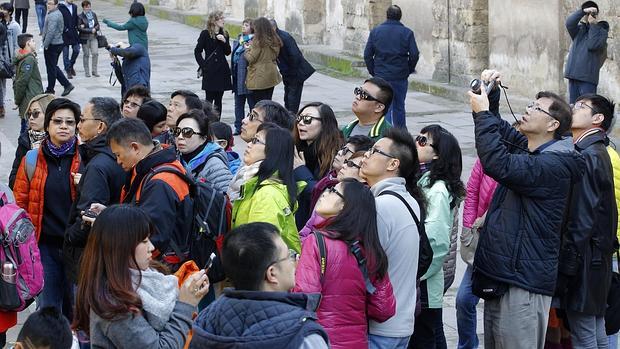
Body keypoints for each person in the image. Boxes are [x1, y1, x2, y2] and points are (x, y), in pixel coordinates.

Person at [467, 69, 585, 349]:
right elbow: (499, 132)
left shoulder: (555, 165)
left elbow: (497, 162)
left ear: (553, 124)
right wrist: (491, 97)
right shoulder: (534, 149)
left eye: (536, 107)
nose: (528, 109)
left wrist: (483, 114)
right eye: (530, 104)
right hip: (504, 276)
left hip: (524, 284)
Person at [73, 204, 209, 348]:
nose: (151, 247)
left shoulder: (146, 273)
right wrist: (185, 304)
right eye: (144, 241)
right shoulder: (113, 306)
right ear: (121, 247)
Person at [191, 222, 329, 348]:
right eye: (289, 256)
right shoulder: (304, 337)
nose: (295, 261)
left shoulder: (205, 320)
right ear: (272, 273)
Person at [294, 178, 395, 349]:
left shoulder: (316, 242)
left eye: (333, 191)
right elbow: (384, 309)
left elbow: (304, 299)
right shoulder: (368, 249)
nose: (325, 192)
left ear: (344, 206)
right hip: (358, 343)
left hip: (321, 341)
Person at [556, 94, 616, 348]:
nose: (572, 109)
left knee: (585, 335)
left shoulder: (589, 154)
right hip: (594, 259)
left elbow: (583, 217)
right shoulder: (594, 150)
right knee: (596, 329)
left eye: (580, 107)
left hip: (585, 261)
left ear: (597, 119)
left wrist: (568, 265)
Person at [13, 98, 82, 319]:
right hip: (44, 249)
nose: (64, 126)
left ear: (77, 126)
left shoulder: (87, 158)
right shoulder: (32, 160)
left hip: (78, 249)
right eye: (58, 121)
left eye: (69, 122)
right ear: (48, 125)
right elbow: (20, 204)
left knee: (77, 312)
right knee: (48, 309)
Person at [360, 127, 425, 348]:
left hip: (380, 327)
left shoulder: (381, 206)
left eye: (375, 151)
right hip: (400, 323)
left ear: (393, 164)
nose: (366, 155)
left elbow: (364, 264)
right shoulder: (409, 201)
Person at [106, 118, 192, 271]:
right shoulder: (158, 165)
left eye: (118, 154)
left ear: (134, 147)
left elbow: (153, 238)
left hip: (160, 268)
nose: (118, 161)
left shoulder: (160, 183)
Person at [410, 125, 465, 349]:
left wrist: (415, 275)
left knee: (426, 336)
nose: (417, 143)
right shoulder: (421, 180)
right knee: (432, 335)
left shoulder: (438, 190)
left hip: (422, 281)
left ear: (437, 154)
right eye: (418, 138)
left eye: (423, 141)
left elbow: (437, 244)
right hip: (419, 278)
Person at [64, 97, 124, 284]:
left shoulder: (98, 166)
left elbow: (88, 216)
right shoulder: (114, 155)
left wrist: (70, 237)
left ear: (100, 127)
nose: (78, 125)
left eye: (82, 120)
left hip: (92, 257)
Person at [232, 123, 302, 253]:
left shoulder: (267, 195)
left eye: (256, 141)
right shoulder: (255, 183)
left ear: (273, 151)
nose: (249, 145)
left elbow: (261, 251)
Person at [456, 157, 497, 349]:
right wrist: (468, 227)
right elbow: (472, 192)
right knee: (464, 300)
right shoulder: (487, 157)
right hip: (480, 241)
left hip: (501, 244)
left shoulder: (521, 159)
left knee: (494, 306)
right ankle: (467, 345)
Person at [364, 5, 418, 128]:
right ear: (400, 17)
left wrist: (374, 72)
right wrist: (408, 69)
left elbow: (367, 55)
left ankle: (385, 132)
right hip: (400, 75)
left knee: (384, 105)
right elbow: (414, 54)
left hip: (382, 75)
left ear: (387, 15)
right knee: (399, 106)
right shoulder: (407, 33)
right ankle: (400, 134)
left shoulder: (376, 32)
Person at [293, 102, 342, 230]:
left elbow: (321, 196)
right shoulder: (298, 149)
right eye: (299, 118)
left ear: (325, 124)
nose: (301, 123)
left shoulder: (335, 156)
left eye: (308, 119)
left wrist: (301, 171)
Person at [174, 109, 232, 192]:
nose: (180, 137)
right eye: (177, 131)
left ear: (203, 138)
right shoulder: (176, 158)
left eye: (187, 132)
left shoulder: (214, 165)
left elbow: (229, 199)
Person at [310, 135, 373, 209]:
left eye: (346, 151)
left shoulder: (355, 195)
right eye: (342, 148)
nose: (339, 152)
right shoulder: (328, 178)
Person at [564, 1, 609, 104]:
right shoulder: (579, 30)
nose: (589, 16)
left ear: (596, 15)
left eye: (592, 14)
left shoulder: (602, 32)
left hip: (588, 78)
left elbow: (592, 45)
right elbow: (569, 23)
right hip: (573, 75)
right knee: (573, 106)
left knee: (587, 107)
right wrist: (582, 11)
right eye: (587, 14)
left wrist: (593, 25)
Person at [270, 19, 315, 114]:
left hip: (296, 72)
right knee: (288, 97)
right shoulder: (275, 37)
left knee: (293, 98)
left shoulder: (285, 37)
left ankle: (292, 119)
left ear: (273, 27)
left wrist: (291, 72)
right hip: (287, 72)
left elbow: (295, 55)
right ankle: (289, 117)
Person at [9, 94, 54, 188]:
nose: (31, 118)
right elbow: (14, 176)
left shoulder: (60, 140)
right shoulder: (25, 139)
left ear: (49, 114)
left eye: (36, 113)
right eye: (29, 114)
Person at [194, 10, 231, 114]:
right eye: (221, 18)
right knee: (209, 99)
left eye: (223, 18)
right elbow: (197, 51)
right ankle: (207, 121)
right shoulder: (205, 34)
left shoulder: (225, 33)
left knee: (219, 99)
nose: (224, 20)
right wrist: (203, 65)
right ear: (214, 21)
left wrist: (224, 41)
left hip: (222, 70)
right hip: (210, 71)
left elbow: (228, 52)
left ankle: (217, 122)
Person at [245, 17, 281, 104]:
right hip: (271, 74)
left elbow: (251, 58)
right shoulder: (274, 39)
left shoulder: (258, 41)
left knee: (259, 104)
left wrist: (247, 49)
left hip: (259, 76)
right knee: (268, 101)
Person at [42, 0, 74, 97]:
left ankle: (51, 89)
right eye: (47, 3)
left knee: (51, 68)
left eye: (51, 4)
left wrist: (45, 44)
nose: (48, 5)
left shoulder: (54, 15)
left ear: (56, 5)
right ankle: (66, 85)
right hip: (57, 43)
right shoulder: (53, 13)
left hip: (53, 44)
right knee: (53, 66)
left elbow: (51, 32)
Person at [13, 33, 44, 133]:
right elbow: (22, 81)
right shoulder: (29, 59)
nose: (35, 43)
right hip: (30, 99)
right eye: (33, 41)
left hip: (28, 98)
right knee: (27, 130)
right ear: (28, 43)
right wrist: (17, 100)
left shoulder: (25, 57)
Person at [231, 18, 253, 134]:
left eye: (246, 25)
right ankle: (238, 126)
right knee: (238, 103)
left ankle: (251, 126)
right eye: (243, 24)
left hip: (247, 76)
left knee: (251, 104)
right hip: (237, 76)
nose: (243, 27)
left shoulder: (253, 40)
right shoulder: (240, 39)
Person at [0, 2, 21, 119]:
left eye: (3, 9)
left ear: (9, 12)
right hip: (2, 60)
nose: (1, 11)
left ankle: (20, 105)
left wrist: (16, 59)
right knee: (1, 85)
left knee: (16, 83)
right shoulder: (1, 24)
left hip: (12, 60)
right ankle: (1, 106)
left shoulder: (15, 26)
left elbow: (18, 44)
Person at [78, 0, 99, 77]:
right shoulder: (80, 16)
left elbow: (97, 25)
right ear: (83, 7)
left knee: (95, 53)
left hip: (94, 37)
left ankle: (94, 70)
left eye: (89, 6)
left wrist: (95, 29)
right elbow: (79, 28)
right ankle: (87, 71)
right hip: (85, 38)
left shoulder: (93, 14)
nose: (88, 8)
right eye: (86, 7)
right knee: (86, 54)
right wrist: (90, 30)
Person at [58, 0, 79, 78]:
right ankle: (68, 70)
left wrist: (79, 25)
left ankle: (71, 65)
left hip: (73, 33)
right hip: (64, 34)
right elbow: (59, 21)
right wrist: (65, 29)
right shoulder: (60, 7)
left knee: (76, 50)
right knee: (65, 53)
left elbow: (75, 18)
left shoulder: (74, 7)